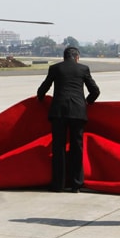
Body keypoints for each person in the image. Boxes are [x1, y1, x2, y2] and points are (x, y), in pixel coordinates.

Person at [37, 46, 100, 193]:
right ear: (77, 57)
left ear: (64, 57)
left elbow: (43, 88)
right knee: (76, 148)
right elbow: (95, 91)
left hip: (58, 112)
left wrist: (40, 99)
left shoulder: (55, 68)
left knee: (58, 148)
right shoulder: (83, 69)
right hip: (77, 112)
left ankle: (58, 184)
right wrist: (87, 102)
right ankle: (76, 184)